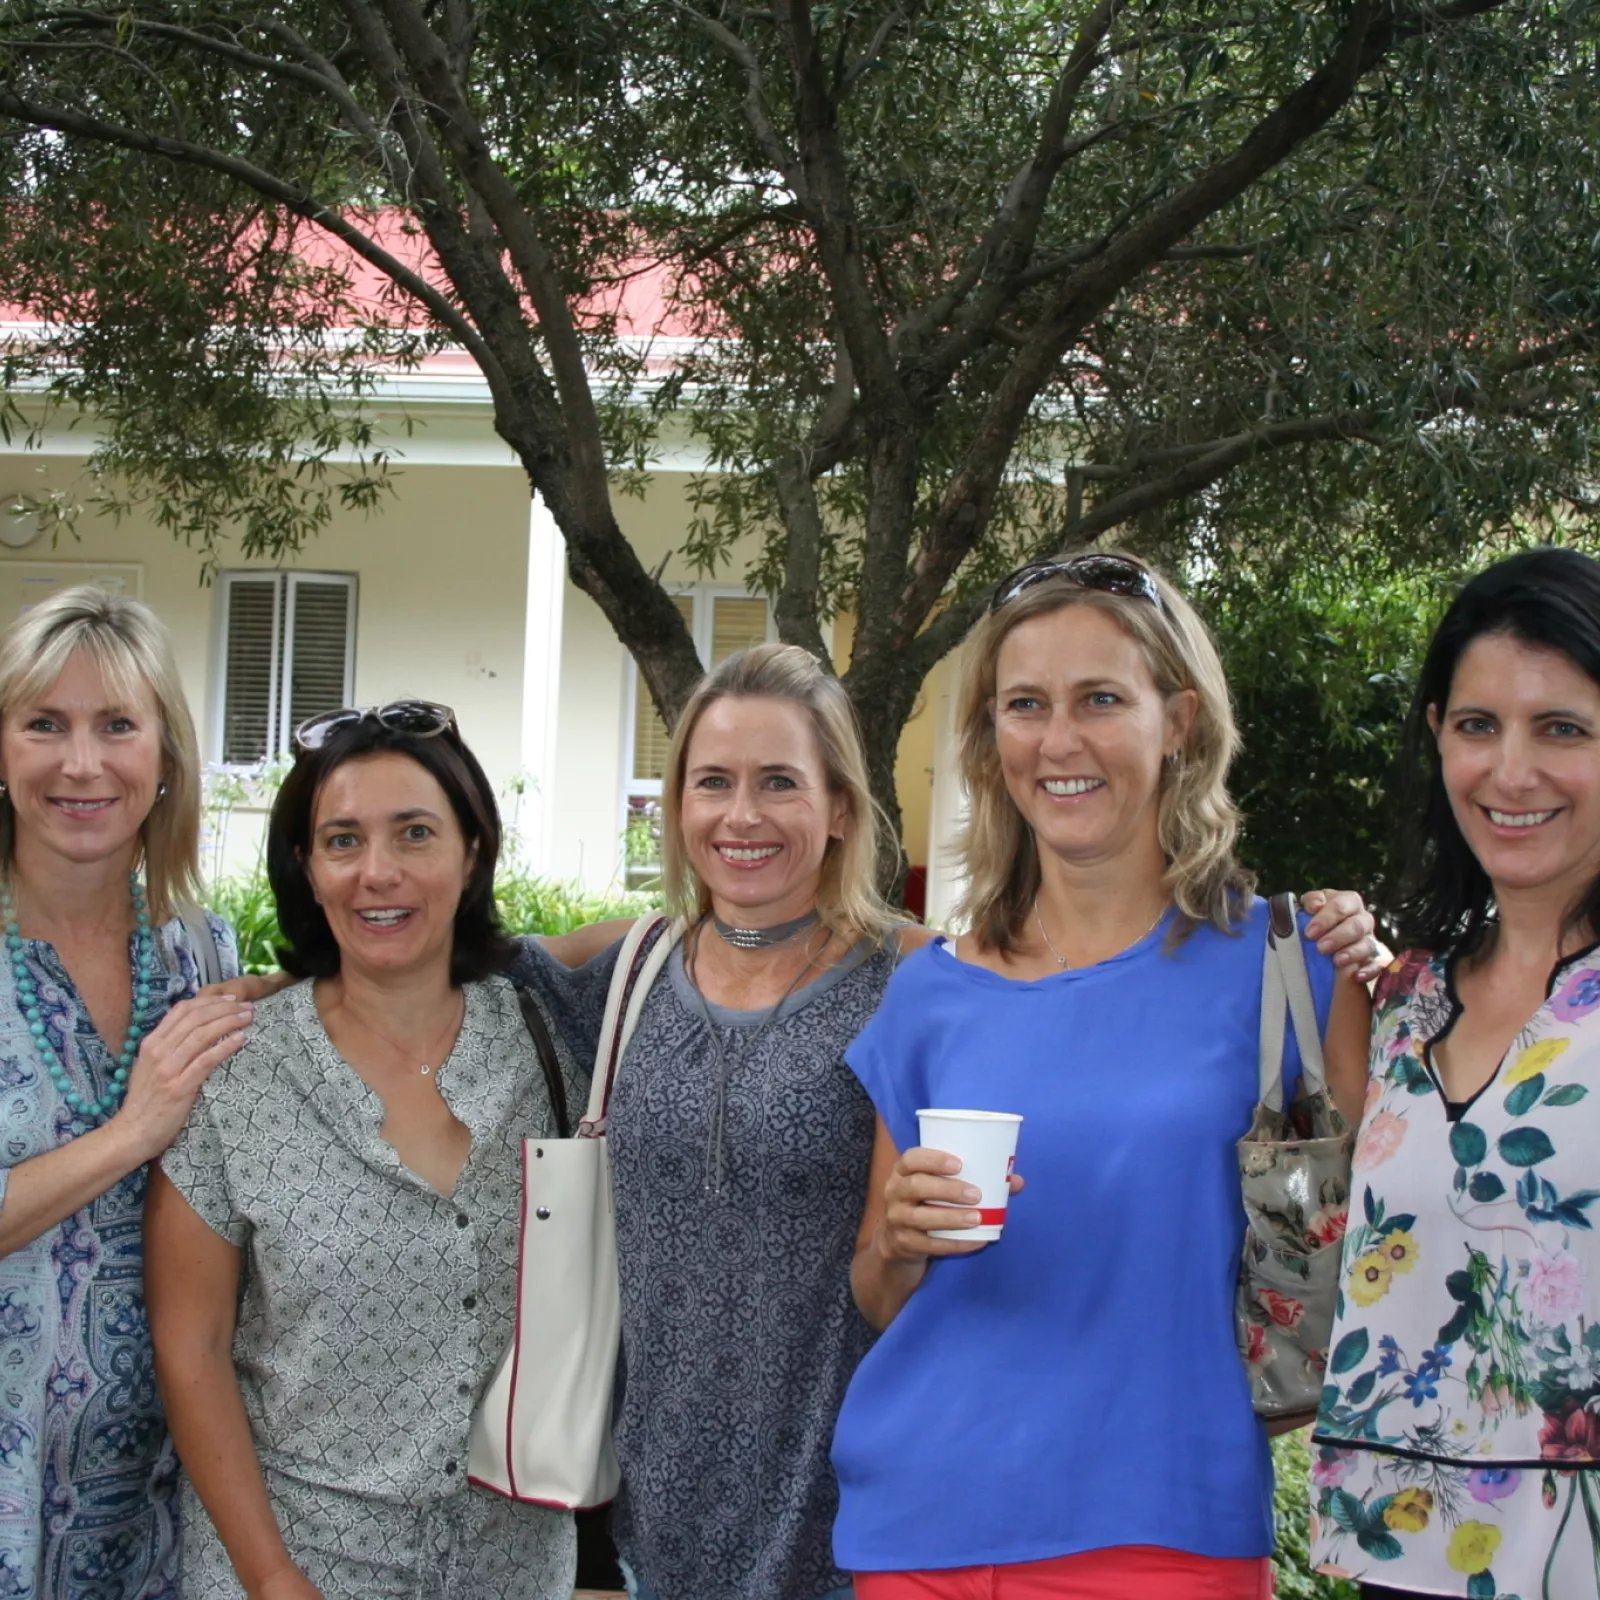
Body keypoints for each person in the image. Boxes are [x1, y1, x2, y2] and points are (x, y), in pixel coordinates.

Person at [504, 638, 1382, 1600]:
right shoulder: (629, 973)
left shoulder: (916, 973)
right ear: (676, 807)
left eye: (780, 782)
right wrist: (309, 990)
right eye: (711, 781)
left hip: (856, 1508)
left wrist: (1337, 935)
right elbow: (443, 971)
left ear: (841, 806)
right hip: (670, 1505)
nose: (741, 813)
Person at [833, 552, 1375, 1599]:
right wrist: (899, 1240)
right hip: (918, 1525)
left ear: (1176, 720)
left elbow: (1384, 1249)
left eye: (1100, 700)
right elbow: (878, 1291)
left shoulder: (1287, 969)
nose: (1059, 741)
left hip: (1162, 1528)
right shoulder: (928, 991)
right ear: (992, 739)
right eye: (1024, 705)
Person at [144, 702, 582, 1600]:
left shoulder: (547, 1039)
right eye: (342, 841)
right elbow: (193, 1347)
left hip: (514, 1564)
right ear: (307, 869)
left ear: (471, 853)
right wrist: (270, 1576)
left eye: (414, 834)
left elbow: (691, 937)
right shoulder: (235, 1069)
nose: (377, 873)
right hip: (298, 1562)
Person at [1310, 546, 1600, 1600]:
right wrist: (1336, 947)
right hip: (1403, 1553)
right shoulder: (1410, 1002)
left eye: (1560, 727)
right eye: (1478, 725)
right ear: (1436, 736)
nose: (1509, 771)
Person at [0, 585, 249, 1599]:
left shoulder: (202, 949)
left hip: (154, 1503)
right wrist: (132, 1130)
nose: (82, 763)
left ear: (165, 758)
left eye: (117, 725)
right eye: (43, 724)